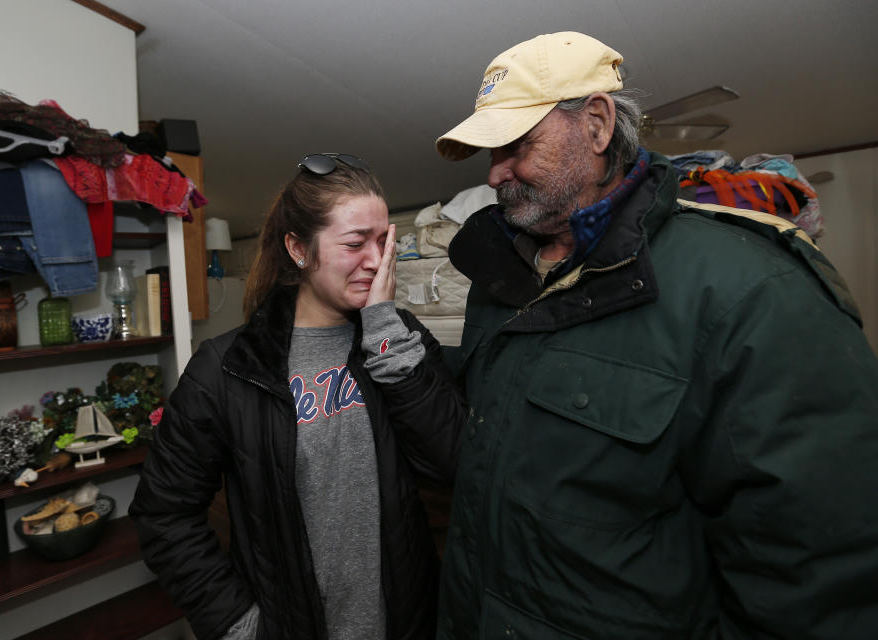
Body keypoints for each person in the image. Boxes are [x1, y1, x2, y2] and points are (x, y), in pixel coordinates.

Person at [432, 32, 878, 639]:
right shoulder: (499, 277)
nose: (496, 173)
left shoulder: (750, 288)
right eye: (492, 153)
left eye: (517, 146)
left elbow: (818, 581)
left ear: (595, 124)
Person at [129, 153, 466, 640]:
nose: (375, 260)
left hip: (407, 619)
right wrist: (237, 625)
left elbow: (454, 462)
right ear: (299, 249)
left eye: (382, 241)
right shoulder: (224, 369)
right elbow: (164, 514)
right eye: (355, 243)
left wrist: (386, 334)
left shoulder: (399, 339)